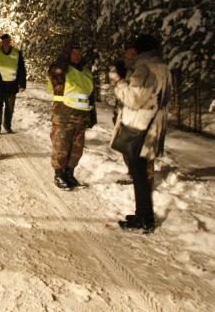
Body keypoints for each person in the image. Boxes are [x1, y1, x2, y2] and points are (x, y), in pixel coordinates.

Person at [111, 34, 172, 233]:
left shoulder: (143, 68)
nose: (130, 54)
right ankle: (143, 214)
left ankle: (144, 218)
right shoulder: (162, 67)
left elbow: (134, 99)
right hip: (154, 124)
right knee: (141, 173)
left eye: (133, 51)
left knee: (138, 174)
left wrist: (119, 82)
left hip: (139, 126)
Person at [47, 41, 97, 190]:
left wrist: (92, 115)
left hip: (81, 116)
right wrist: (63, 61)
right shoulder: (60, 69)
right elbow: (54, 75)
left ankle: (69, 173)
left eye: (79, 53)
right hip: (63, 114)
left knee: (77, 149)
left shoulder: (86, 72)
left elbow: (91, 95)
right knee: (61, 146)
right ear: (67, 54)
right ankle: (59, 174)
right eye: (73, 53)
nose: (76, 56)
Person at [0, 33, 27, 134]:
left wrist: (22, 84)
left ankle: (7, 126)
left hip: (12, 84)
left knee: (10, 108)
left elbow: (21, 69)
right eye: (4, 41)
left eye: (8, 41)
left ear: (10, 41)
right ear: (2, 42)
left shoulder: (17, 53)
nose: (6, 43)